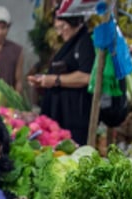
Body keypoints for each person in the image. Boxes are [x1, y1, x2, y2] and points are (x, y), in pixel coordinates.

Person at [28, 15, 95, 146]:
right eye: (57, 28)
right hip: (64, 115)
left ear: (74, 22)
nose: (59, 32)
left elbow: (87, 76)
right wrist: (43, 79)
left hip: (76, 116)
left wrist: (55, 80)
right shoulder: (71, 43)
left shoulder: (85, 42)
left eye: (63, 27)